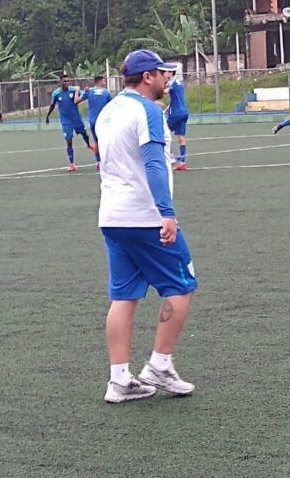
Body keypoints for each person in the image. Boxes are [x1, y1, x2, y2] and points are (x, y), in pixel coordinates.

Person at [95, 49, 196, 404]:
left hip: (112, 216)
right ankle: (159, 365)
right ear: (148, 76)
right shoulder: (147, 110)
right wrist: (166, 212)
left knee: (124, 296)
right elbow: (153, 163)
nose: (167, 78)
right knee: (182, 285)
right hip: (144, 218)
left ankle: (119, 380)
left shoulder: (108, 110)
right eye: (162, 73)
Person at [46, 74, 95, 172]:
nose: (67, 83)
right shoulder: (56, 93)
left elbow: (83, 95)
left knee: (84, 134)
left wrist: (86, 92)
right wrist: (47, 116)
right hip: (65, 121)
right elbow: (52, 105)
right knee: (69, 141)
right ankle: (72, 164)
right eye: (65, 81)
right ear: (60, 82)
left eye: (68, 81)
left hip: (76, 119)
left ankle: (88, 144)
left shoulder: (74, 90)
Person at [78, 75, 113, 170]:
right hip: (104, 121)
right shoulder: (106, 92)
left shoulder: (89, 91)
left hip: (93, 120)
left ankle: (98, 161)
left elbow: (76, 101)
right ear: (99, 81)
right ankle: (107, 160)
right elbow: (111, 106)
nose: (105, 83)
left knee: (97, 141)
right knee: (106, 141)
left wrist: (80, 92)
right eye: (104, 81)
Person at [164, 70, 190, 170]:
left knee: (162, 133)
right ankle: (182, 163)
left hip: (175, 114)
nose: (164, 74)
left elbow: (164, 91)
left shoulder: (171, 83)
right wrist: (167, 109)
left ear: (171, 73)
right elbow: (176, 99)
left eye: (166, 72)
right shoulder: (179, 83)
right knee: (181, 137)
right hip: (183, 113)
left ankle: (171, 157)